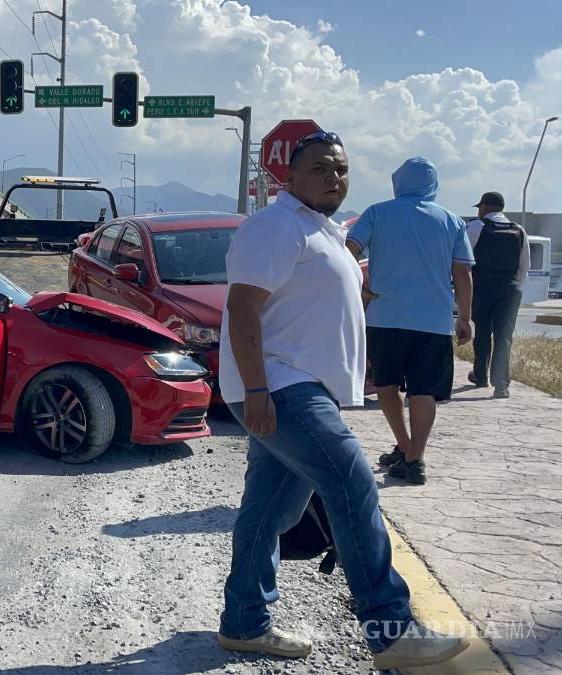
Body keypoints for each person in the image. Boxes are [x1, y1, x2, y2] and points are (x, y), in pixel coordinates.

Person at [218, 131, 467, 669]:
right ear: (289, 177)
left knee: (270, 511)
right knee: (353, 484)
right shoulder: (276, 226)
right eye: (319, 168)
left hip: (301, 384)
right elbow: (242, 309)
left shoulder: (323, 230)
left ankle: (243, 622)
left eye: (341, 168)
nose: (333, 176)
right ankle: (391, 630)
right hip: (280, 386)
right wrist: (256, 389)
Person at [346, 158, 474, 486]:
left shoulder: (377, 212)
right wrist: (465, 317)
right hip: (434, 321)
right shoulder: (452, 221)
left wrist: (359, 287)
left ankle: (405, 446)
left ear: (398, 182)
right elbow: (462, 271)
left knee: (386, 385)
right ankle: (414, 458)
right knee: (424, 391)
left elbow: (348, 250)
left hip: (385, 316)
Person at [465, 191, 529, 398]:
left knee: (482, 331)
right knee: (504, 336)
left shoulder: (476, 226)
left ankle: (480, 375)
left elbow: (463, 259)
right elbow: (524, 266)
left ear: (484, 207)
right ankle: (501, 385)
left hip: (483, 287)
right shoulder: (519, 229)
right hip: (510, 288)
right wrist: (513, 286)